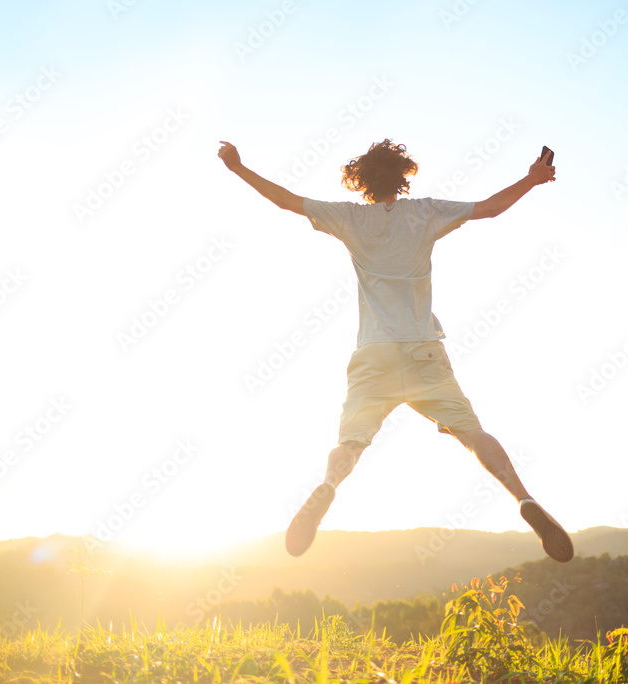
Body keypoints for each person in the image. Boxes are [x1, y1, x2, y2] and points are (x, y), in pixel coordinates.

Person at [217, 138, 573, 563]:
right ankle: (523, 498)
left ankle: (329, 485)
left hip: (374, 352)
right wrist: (533, 179)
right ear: (403, 176)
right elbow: (492, 208)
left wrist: (239, 167)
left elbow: (286, 201)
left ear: (361, 181)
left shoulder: (348, 217)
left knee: (350, 442)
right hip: (424, 349)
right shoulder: (424, 211)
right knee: (471, 432)